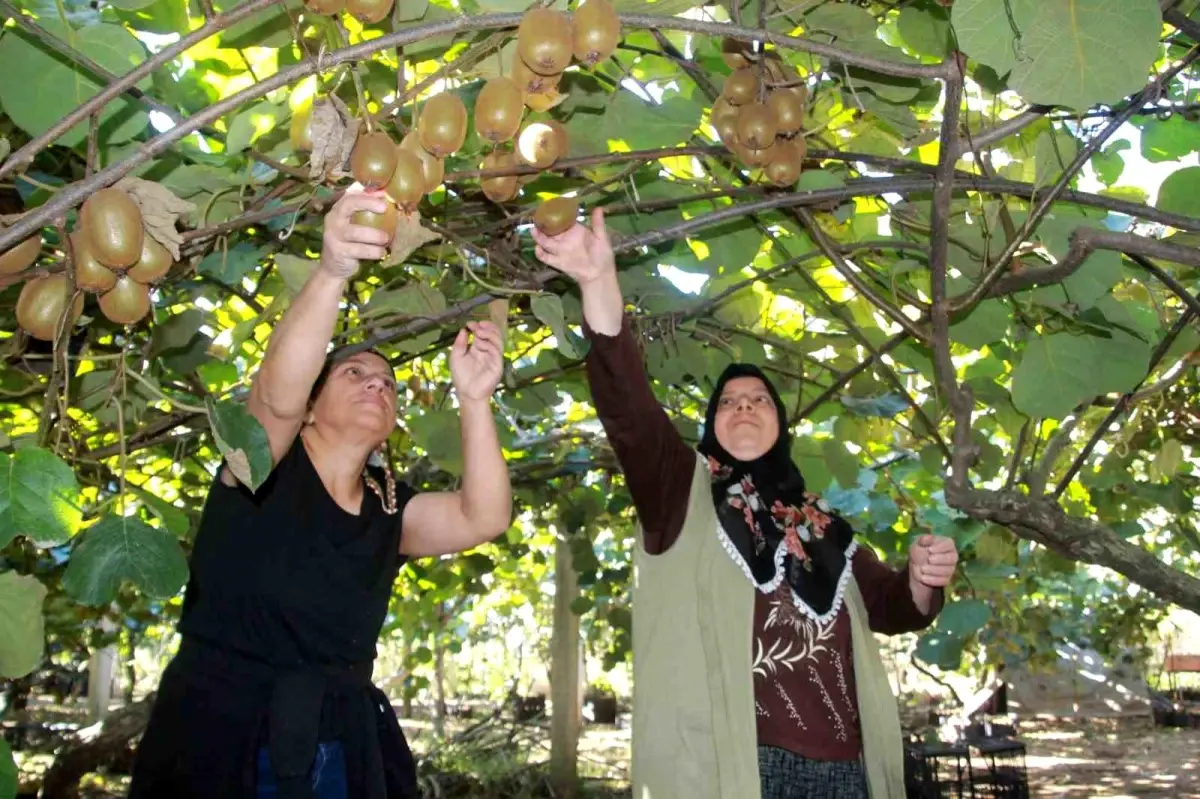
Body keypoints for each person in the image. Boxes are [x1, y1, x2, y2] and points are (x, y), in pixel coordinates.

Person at [532, 209, 960, 799]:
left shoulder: (823, 525)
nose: (744, 407)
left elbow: (892, 607)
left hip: (846, 770)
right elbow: (629, 407)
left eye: (759, 399)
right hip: (735, 771)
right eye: (728, 402)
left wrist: (923, 577)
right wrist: (596, 280)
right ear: (711, 425)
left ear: (780, 423)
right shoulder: (678, 492)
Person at [129, 188, 513, 799]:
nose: (376, 385)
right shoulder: (260, 466)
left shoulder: (390, 504)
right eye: (354, 373)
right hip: (220, 735)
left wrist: (473, 398)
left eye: (387, 383)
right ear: (310, 409)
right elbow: (276, 396)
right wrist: (333, 268)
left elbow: (483, 516)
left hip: (336, 743)